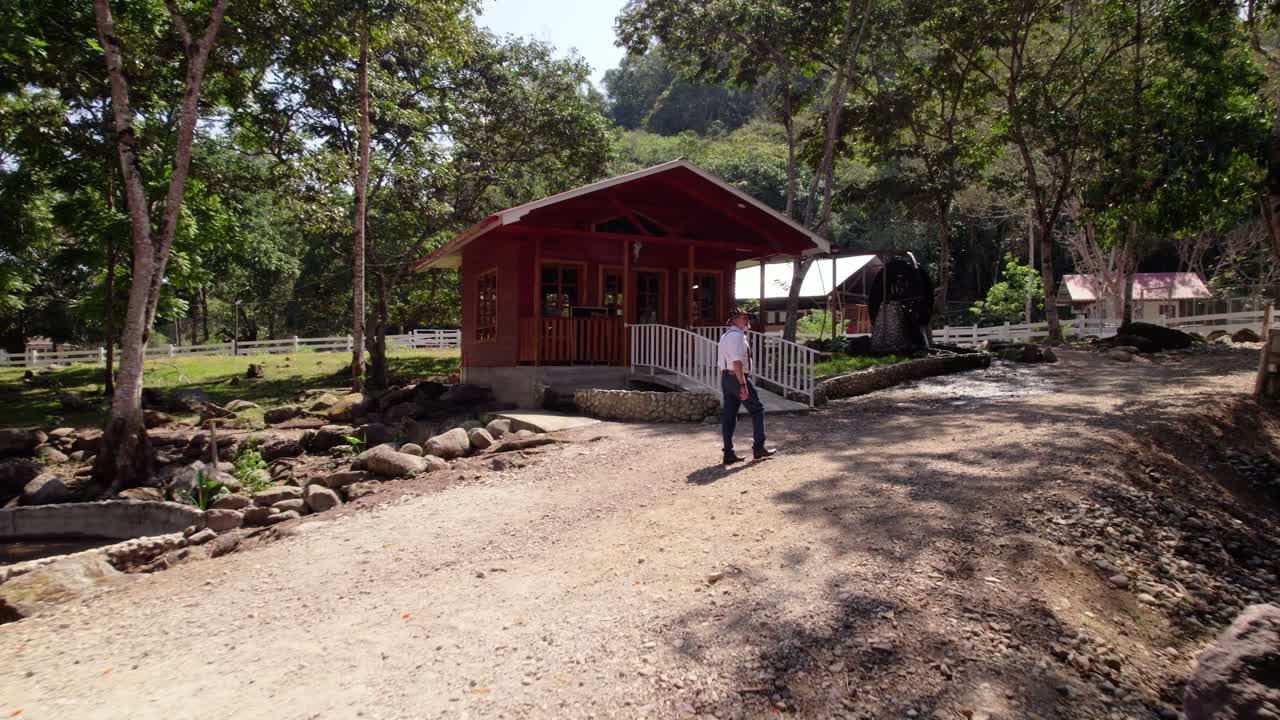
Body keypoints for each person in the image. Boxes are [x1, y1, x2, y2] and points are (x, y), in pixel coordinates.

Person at [718, 307, 775, 464]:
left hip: (726, 377)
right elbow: (737, 362)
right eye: (744, 318)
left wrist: (724, 382)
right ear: (735, 320)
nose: (747, 320)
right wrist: (742, 384)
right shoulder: (736, 337)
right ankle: (759, 448)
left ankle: (728, 453)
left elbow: (722, 364)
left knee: (729, 415)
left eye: (747, 317)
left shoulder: (725, 336)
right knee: (757, 409)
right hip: (736, 377)